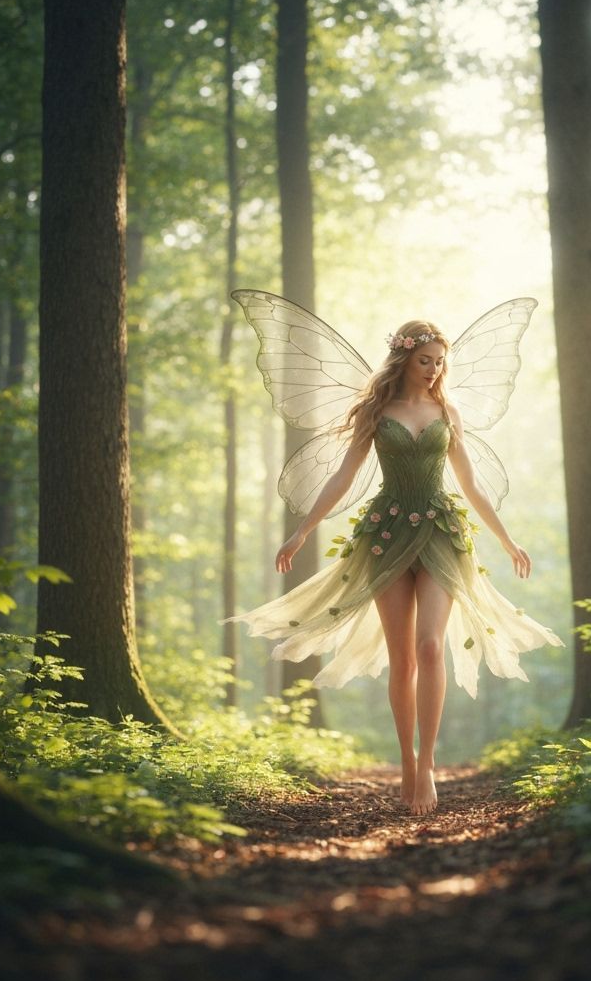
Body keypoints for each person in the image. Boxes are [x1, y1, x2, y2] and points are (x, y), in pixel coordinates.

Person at [229, 311, 562, 816]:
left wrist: (509, 540)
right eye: (425, 360)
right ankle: (405, 758)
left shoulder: (447, 411)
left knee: (431, 648)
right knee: (402, 656)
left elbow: (470, 481)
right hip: (385, 533)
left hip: (442, 533)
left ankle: (427, 762)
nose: (433, 370)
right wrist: (302, 530)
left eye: (439, 363)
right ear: (405, 357)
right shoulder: (376, 409)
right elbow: (344, 475)